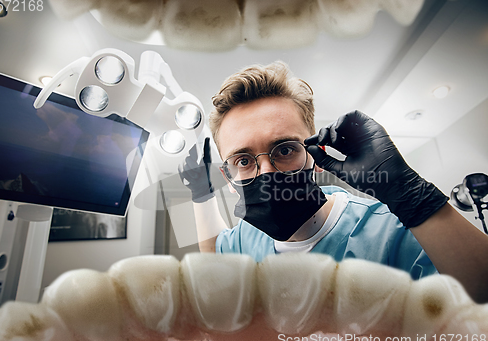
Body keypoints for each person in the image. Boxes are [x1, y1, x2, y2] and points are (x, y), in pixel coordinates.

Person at [179, 61, 488, 303]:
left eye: (285, 149)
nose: (268, 173)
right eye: (243, 161)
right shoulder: (246, 239)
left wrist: (411, 195)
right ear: (229, 179)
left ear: (314, 155)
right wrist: (199, 194)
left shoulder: (393, 233)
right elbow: (213, 251)